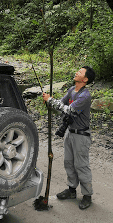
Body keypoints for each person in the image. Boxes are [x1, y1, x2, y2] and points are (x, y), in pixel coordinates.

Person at [42, 66, 96, 210]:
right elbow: (62, 103)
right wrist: (50, 103)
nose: (77, 72)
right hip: (70, 132)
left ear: (85, 79)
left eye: (80, 72)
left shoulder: (85, 96)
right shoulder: (72, 90)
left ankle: (87, 195)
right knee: (69, 162)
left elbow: (69, 110)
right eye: (77, 70)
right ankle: (71, 190)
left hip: (81, 135)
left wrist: (51, 101)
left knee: (81, 165)